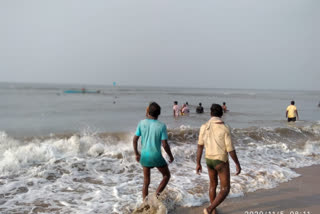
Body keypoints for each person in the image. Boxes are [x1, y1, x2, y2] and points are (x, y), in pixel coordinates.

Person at [196, 104, 241, 214]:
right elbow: (230, 149)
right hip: (220, 160)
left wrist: (198, 163)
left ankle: (213, 211)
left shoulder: (204, 126)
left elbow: (200, 146)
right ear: (221, 114)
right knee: (225, 189)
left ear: (210, 113)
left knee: (212, 185)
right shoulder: (224, 127)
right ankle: (210, 209)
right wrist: (237, 164)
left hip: (208, 160)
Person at [133, 102, 174, 200]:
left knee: (146, 182)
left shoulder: (141, 123)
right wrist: (170, 156)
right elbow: (164, 144)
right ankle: (156, 196)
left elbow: (134, 140)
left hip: (145, 156)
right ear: (159, 113)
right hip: (156, 156)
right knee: (166, 175)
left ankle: (145, 203)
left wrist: (137, 154)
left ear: (148, 112)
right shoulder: (161, 126)